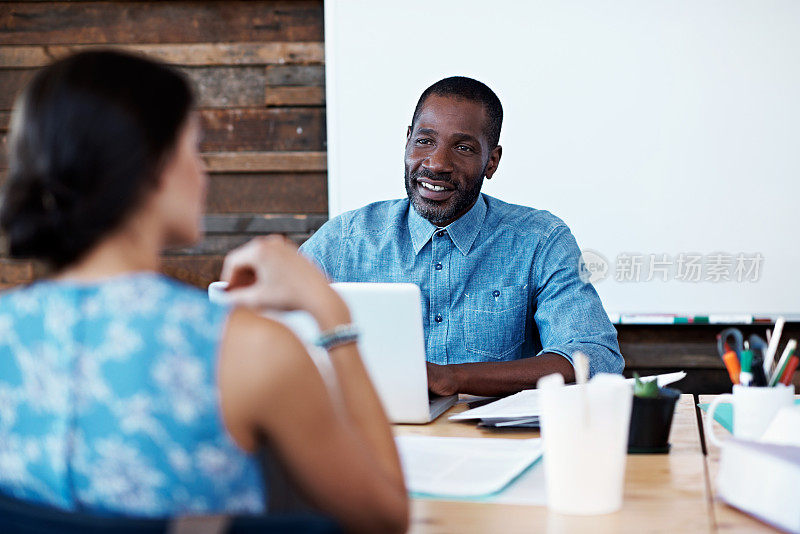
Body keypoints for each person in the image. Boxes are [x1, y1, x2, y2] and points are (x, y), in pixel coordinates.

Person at [0, 50, 407, 533]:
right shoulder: (250, 351)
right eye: (194, 149)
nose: (203, 172)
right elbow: (385, 518)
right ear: (152, 167)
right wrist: (328, 307)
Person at [298, 76, 623, 397]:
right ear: (408, 140)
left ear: (491, 162)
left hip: (499, 445)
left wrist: (455, 377)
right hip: (379, 440)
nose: (437, 163)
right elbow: (270, 331)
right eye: (425, 141)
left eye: (464, 148)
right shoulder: (345, 240)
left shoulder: (540, 240)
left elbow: (594, 358)